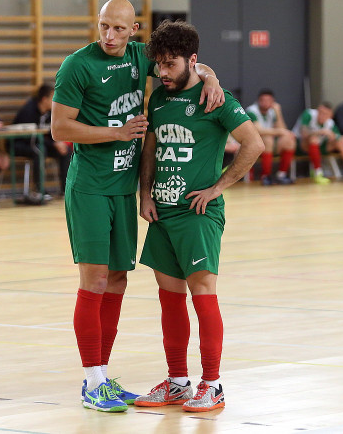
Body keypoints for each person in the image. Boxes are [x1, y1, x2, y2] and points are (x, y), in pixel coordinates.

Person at [51, 0, 225, 413]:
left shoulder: (137, 57)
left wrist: (212, 77)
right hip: (90, 188)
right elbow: (59, 128)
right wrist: (117, 133)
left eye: (118, 28)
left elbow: (184, 62)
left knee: (117, 281)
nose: (109, 36)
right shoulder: (77, 65)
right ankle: (93, 381)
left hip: (123, 190)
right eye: (103, 26)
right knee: (94, 280)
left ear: (133, 30)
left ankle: (103, 376)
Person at [135, 20, 264, 412]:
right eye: (159, 64)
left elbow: (253, 144)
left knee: (203, 295)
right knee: (169, 299)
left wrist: (217, 188)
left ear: (192, 60)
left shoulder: (215, 98)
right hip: (162, 212)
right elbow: (150, 149)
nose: (163, 71)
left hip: (197, 212)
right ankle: (177, 382)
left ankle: (213, 383)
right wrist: (145, 193)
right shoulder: (159, 97)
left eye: (171, 64)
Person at [12, 83, 71, 195]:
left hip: (41, 144)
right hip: (20, 144)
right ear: (44, 99)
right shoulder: (28, 111)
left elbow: (51, 132)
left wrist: (58, 143)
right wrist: (53, 144)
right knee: (40, 151)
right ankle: (39, 191)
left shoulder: (50, 113)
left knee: (66, 151)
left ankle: (66, 190)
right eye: (53, 98)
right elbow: (29, 137)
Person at [292, 102, 343, 183]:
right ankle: (318, 173)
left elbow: (337, 137)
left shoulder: (330, 123)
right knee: (313, 139)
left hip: (319, 147)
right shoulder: (308, 114)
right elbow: (304, 134)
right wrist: (319, 132)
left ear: (330, 115)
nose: (321, 115)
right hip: (300, 146)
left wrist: (332, 136)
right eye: (320, 112)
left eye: (325, 114)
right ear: (317, 110)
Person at [245, 89, 296, 185]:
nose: (265, 103)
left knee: (289, 141)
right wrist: (279, 131)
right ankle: (265, 176)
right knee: (268, 140)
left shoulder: (272, 111)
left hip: (269, 145)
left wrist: (278, 112)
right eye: (263, 100)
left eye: (268, 100)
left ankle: (281, 175)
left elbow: (282, 129)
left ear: (273, 102)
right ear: (259, 101)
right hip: (252, 146)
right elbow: (259, 131)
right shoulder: (252, 111)